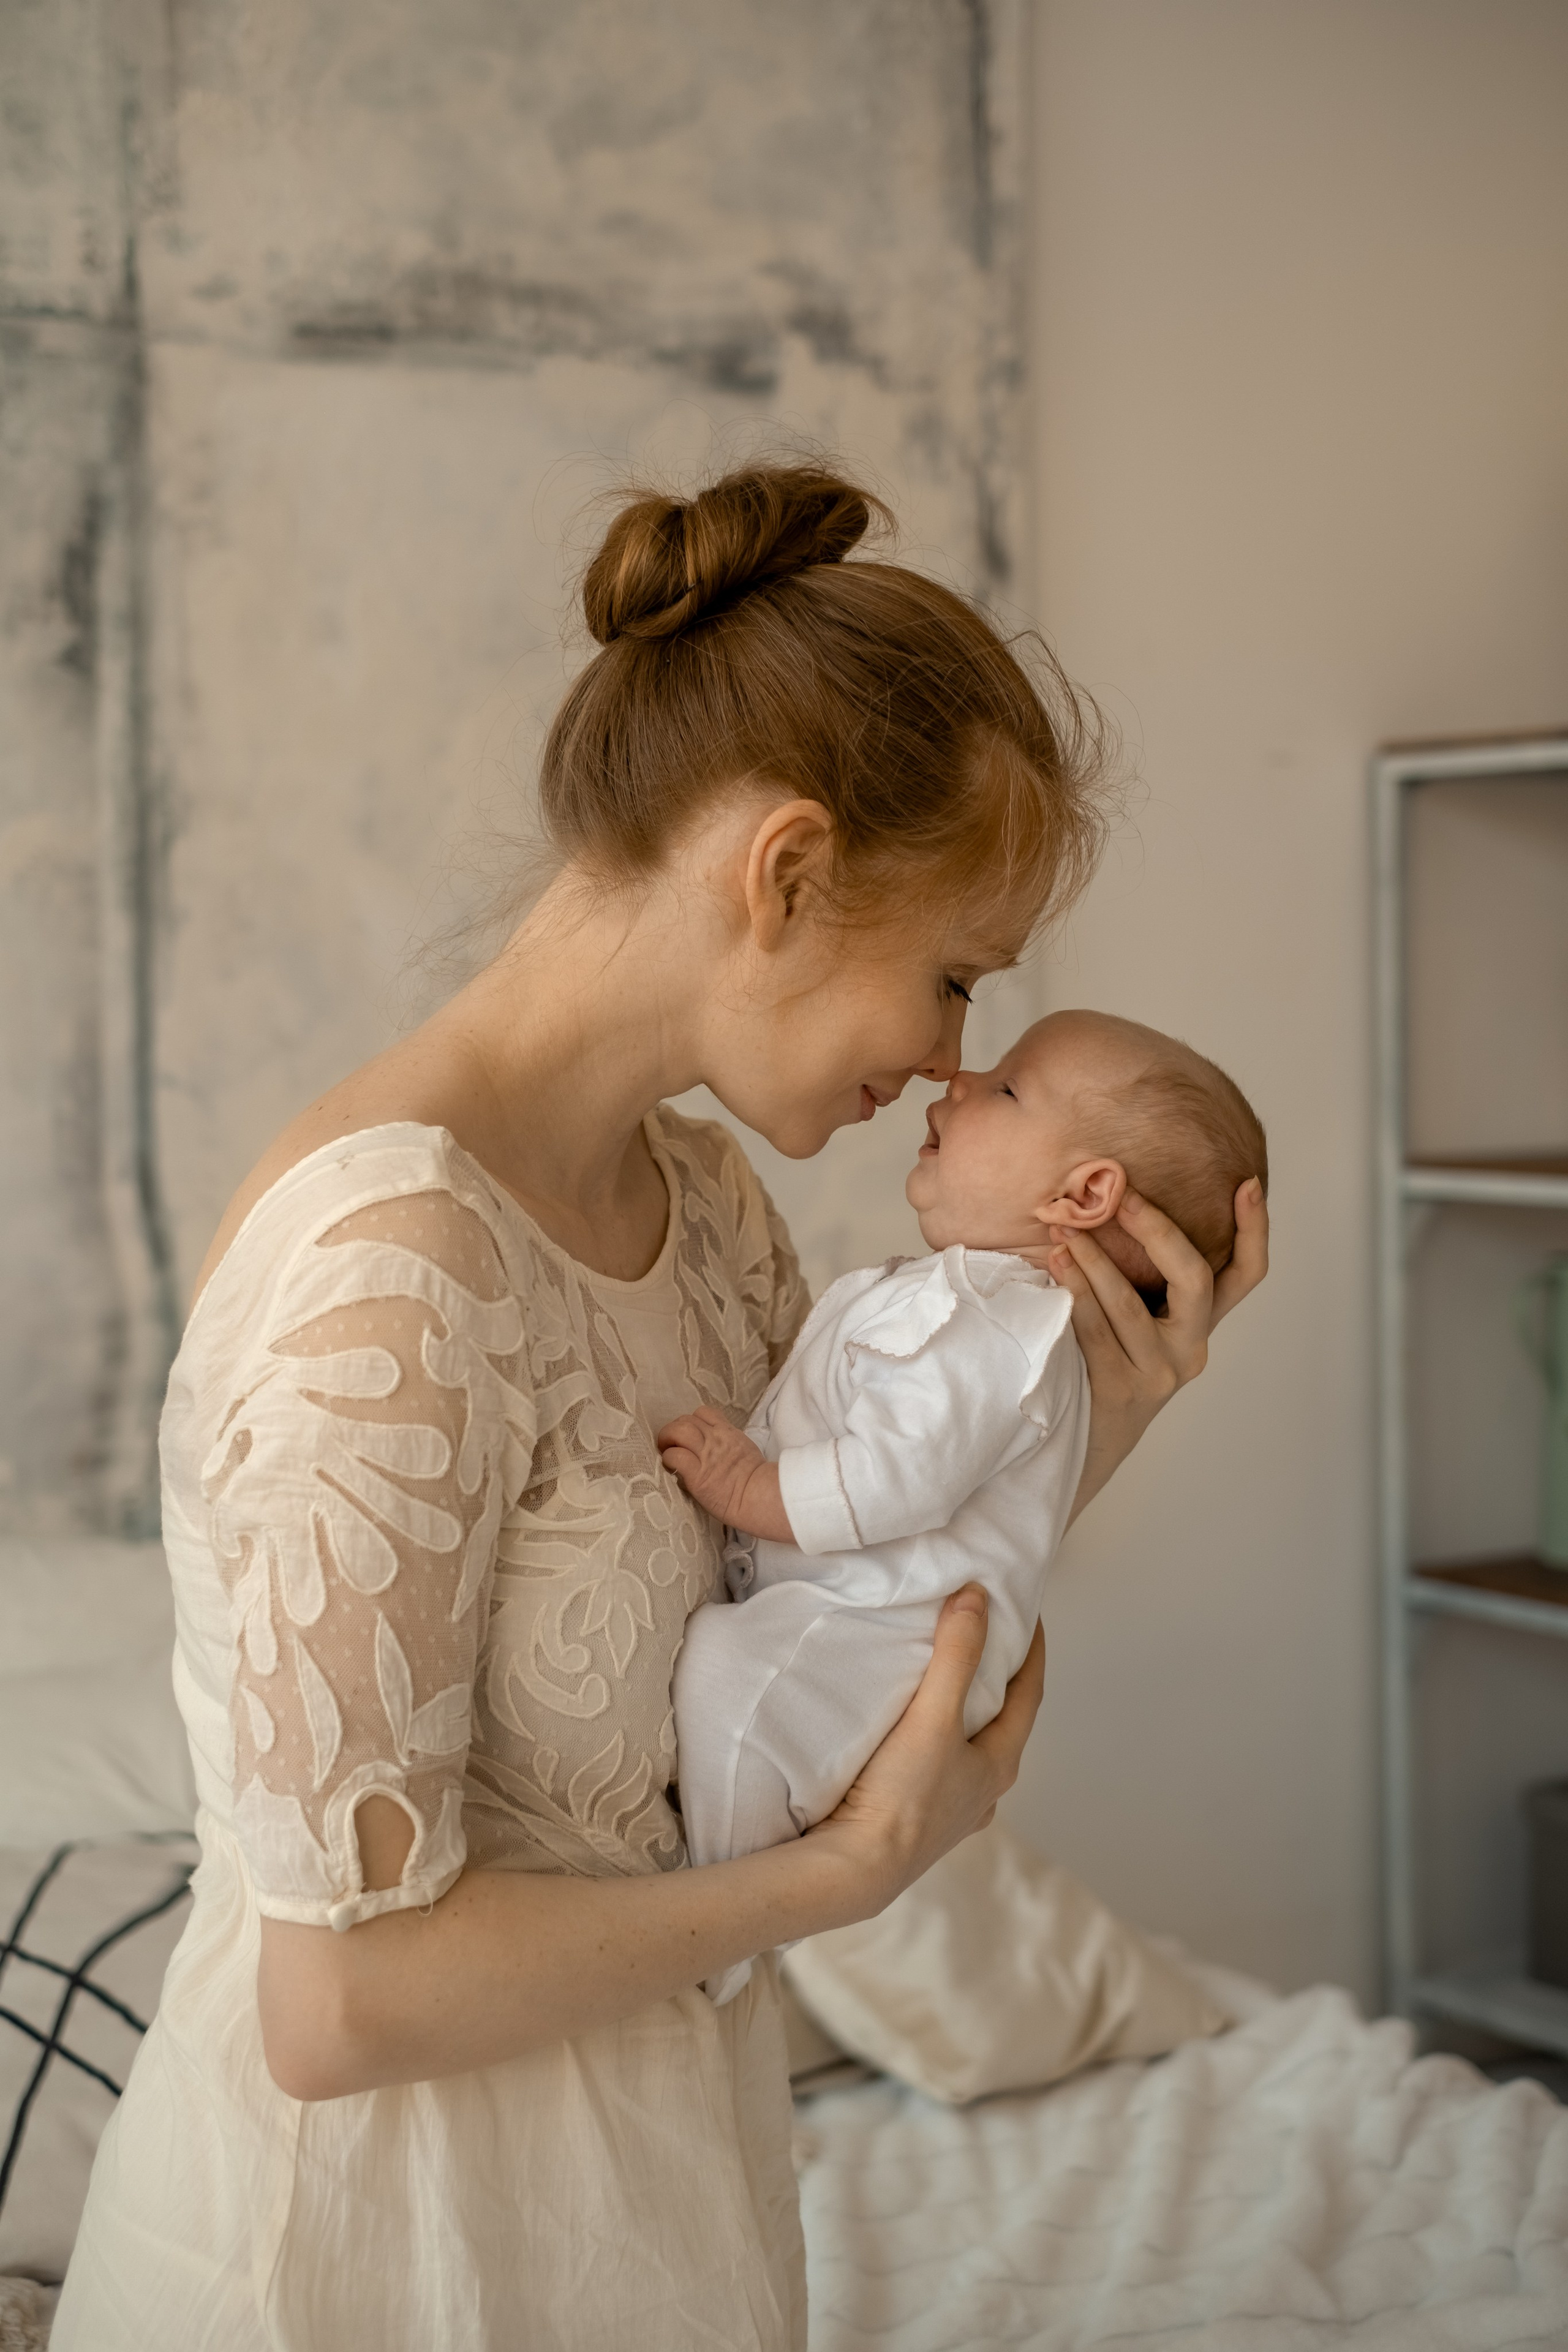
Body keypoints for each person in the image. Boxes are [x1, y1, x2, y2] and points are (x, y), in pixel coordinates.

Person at [54, 462, 1268, 2352]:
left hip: (662, 2219)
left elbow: (850, 1588)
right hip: (382, 2270)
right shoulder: (387, 1266)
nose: (953, 1058)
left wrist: (1109, 1396)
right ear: (786, 874)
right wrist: (845, 1875)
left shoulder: (706, 1209)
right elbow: (339, 2010)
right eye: (952, 978)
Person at [663, 1011, 1267, 2003]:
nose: (954, 1079)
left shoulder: (994, 1319)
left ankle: (717, 1937)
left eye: (1006, 1089)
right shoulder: (995, 1312)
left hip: (877, 1639)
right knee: (735, 1675)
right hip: (874, 1625)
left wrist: (746, 1491)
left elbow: (898, 1477)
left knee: (731, 1680)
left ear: (1085, 1193)